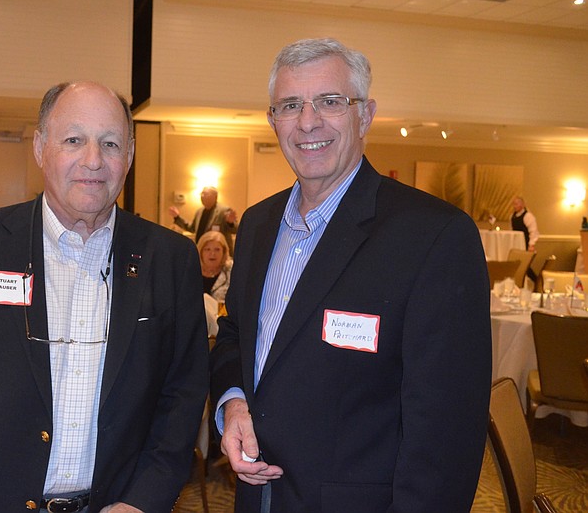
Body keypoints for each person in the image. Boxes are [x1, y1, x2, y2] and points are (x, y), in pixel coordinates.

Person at [0, 81, 208, 513]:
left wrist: (143, 501)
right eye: (73, 140)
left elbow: (182, 396)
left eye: (110, 143)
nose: (93, 160)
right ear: (40, 147)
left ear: (130, 155)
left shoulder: (170, 259)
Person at [209, 38, 491, 512]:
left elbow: (446, 434)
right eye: (290, 105)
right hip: (257, 498)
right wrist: (234, 401)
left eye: (330, 101)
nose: (308, 121)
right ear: (272, 120)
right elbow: (236, 333)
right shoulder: (257, 225)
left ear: (366, 115)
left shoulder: (434, 236)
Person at [169, 186, 238, 252]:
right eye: (202, 194)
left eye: (206, 194)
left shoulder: (224, 211)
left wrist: (230, 223)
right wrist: (177, 217)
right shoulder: (199, 211)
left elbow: (235, 230)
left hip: (218, 253)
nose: (202, 196)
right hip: (201, 251)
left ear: (215, 196)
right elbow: (192, 228)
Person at [197, 230, 231, 303]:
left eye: (217, 250)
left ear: (224, 252)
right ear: (200, 252)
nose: (212, 254)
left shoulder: (231, 271)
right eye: (207, 249)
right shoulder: (192, 271)